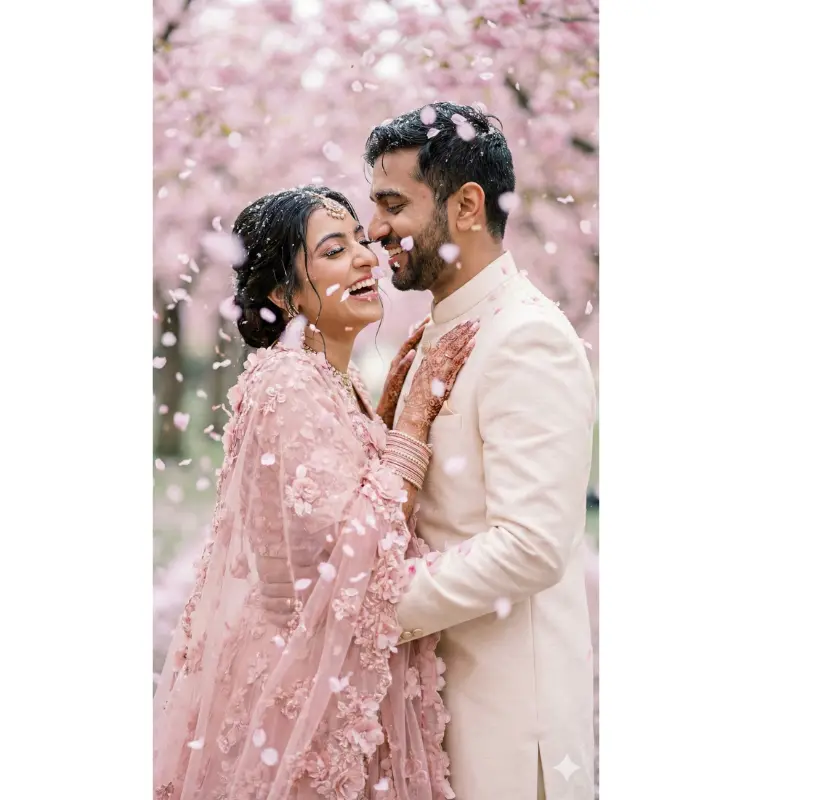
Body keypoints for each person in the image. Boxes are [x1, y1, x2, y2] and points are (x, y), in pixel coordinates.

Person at [153, 185, 478, 799]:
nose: (365, 257)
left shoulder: (335, 379)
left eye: (360, 240)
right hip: (300, 692)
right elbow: (342, 556)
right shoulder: (284, 381)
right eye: (334, 250)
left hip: (337, 681)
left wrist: (384, 417)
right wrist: (411, 428)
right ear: (283, 293)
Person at [368, 103, 598, 799]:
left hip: (501, 737)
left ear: (466, 205)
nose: (374, 230)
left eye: (392, 204)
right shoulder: (442, 330)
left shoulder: (527, 337)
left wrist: (369, 606)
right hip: (435, 721)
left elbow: (531, 544)